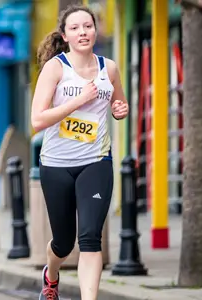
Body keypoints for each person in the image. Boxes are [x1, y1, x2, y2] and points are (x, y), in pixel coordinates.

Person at [30, 6, 129, 300]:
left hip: (95, 162)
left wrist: (119, 110)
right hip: (56, 164)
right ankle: (52, 274)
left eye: (88, 26)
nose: (83, 32)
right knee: (63, 242)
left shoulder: (108, 68)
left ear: (95, 31)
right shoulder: (55, 68)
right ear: (65, 35)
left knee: (89, 239)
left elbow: (118, 104)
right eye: (75, 28)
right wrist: (79, 101)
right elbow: (37, 121)